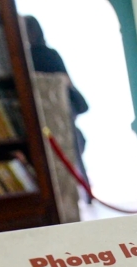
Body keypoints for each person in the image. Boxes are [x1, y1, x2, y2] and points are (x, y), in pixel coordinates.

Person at [22, 16, 89, 180]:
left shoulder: (23, 60)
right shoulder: (50, 55)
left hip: (37, 127)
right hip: (63, 127)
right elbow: (73, 91)